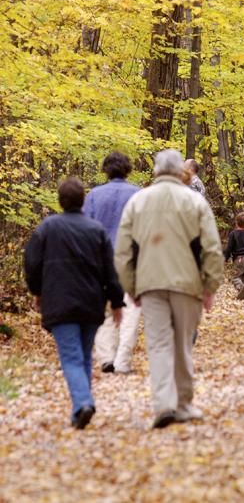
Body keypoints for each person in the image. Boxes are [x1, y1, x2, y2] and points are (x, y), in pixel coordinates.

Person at [114, 149, 224, 429]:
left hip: (149, 284)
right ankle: (184, 404)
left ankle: (164, 404)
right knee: (183, 343)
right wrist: (210, 286)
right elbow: (211, 248)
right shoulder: (195, 202)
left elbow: (124, 251)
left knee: (159, 343)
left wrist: (131, 287)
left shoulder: (137, 201)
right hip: (188, 283)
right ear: (181, 171)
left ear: (155, 171)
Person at [24, 177, 125, 429]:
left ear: (60, 201)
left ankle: (82, 403)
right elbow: (109, 271)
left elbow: (32, 264)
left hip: (59, 302)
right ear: (83, 201)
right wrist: (116, 301)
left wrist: (37, 292)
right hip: (91, 302)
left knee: (71, 357)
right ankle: (81, 408)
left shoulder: (47, 228)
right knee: (83, 356)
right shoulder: (96, 230)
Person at [84, 152, 141, 374]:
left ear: (105, 169)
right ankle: (122, 360)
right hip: (131, 260)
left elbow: (85, 229)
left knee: (104, 309)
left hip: (100, 260)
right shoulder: (138, 194)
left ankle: (106, 356)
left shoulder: (94, 196)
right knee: (130, 310)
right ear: (128, 169)